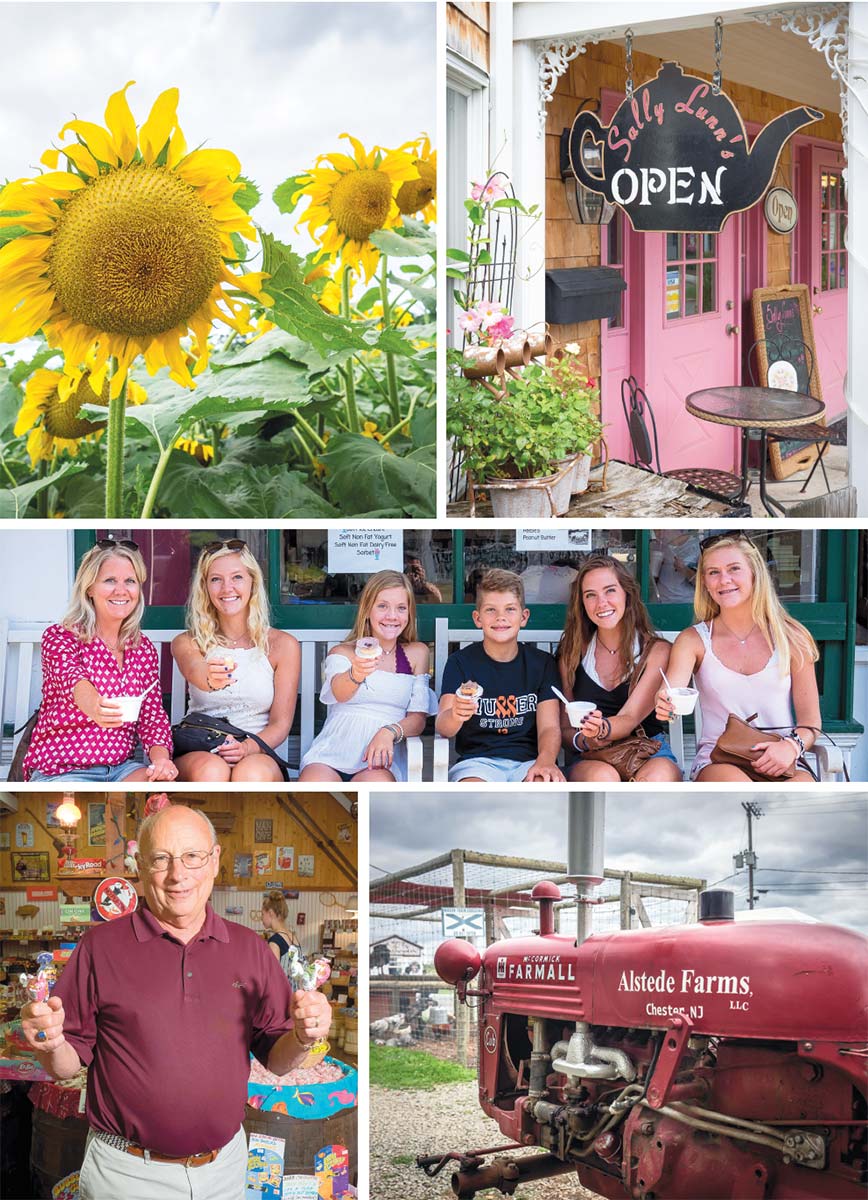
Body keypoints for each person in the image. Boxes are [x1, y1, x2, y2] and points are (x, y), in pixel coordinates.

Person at [19, 803, 332, 1200]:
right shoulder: (100, 947)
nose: (177, 874)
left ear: (214, 860)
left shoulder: (250, 949)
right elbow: (66, 1065)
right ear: (140, 866)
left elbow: (278, 1060)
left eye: (192, 856)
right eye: (161, 859)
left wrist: (304, 1036)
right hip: (126, 1175)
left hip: (225, 1170)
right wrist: (50, 1043)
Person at [654, 532, 821, 781]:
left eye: (734, 569)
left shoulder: (792, 637)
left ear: (755, 574)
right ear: (705, 583)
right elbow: (671, 689)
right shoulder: (693, 640)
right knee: (739, 786)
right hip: (718, 759)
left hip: (781, 756)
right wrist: (665, 703)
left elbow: (811, 722)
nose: (724, 580)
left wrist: (791, 747)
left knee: (801, 790)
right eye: (713, 572)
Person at [22, 539, 176, 783]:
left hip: (121, 768)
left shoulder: (142, 648)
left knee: (160, 786)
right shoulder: (61, 636)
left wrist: (161, 760)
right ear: (89, 588)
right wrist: (95, 707)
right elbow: (73, 680)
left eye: (130, 581)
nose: (121, 590)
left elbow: (152, 716)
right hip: (63, 769)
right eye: (110, 580)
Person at [171, 539, 300, 782]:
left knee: (251, 773)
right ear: (205, 587)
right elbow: (195, 669)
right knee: (212, 770)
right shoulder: (188, 642)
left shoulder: (283, 645)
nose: (227, 588)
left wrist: (247, 748)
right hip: (202, 747)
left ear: (253, 582)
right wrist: (210, 678)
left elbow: (280, 724)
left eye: (237, 577)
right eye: (215, 579)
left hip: (257, 749)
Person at [298, 570, 434, 782]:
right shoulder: (343, 652)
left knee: (376, 786)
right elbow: (340, 693)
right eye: (382, 606)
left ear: (409, 613)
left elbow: (417, 720)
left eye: (401, 608)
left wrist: (389, 731)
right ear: (367, 610)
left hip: (379, 759)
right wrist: (357, 673)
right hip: (331, 753)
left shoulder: (417, 653)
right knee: (315, 784)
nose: (392, 616)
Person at [557, 555, 681, 782]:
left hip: (648, 750)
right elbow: (564, 729)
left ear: (627, 593)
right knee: (603, 779)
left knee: (657, 780)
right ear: (582, 603)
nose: (601, 602)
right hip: (593, 756)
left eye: (610, 591)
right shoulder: (571, 652)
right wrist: (585, 740)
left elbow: (630, 718)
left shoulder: (656, 651)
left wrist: (601, 728)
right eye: (590, 595)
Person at [436, 568, 565, 783]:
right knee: (473, 792)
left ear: (524, 617)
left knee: (544, 788)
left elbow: (549, 727)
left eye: (510, 609)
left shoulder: (542, 664)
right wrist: (456, 714)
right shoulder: (460, 662)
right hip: (477, 763)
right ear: (477, 618)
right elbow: (443, 727)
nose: (500, 617)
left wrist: (545, 760)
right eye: (491, 610)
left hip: (529, 761)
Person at [262, 889, 300, 974]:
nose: (262, 918)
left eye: (262, 914)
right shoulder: (293, 936)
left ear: (270, 913)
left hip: (283, 983)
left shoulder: (275, 942)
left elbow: (273, 975)